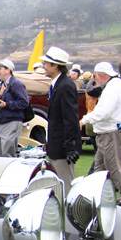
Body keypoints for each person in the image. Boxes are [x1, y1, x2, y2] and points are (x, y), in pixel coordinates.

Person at [79, 62, 121, 203]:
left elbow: (103, 112)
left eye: (95, 76)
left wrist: (83, 120)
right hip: (117, 129)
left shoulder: (111, 89)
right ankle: (95, 196)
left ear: (102, 75)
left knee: (115, 165)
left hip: (111, 132)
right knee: (99, 167)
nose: (94, 79)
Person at [41, 47, 80, 192]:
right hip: (56, 144)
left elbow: (70, 117)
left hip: (63, 146)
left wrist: (70, 145)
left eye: (46, 64)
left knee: (64, 184)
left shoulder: (66, 85)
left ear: (55, 66)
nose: (43, 67)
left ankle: (68, 213)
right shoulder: (57, 84)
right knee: (56, 183)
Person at [0, 59, 29, 157]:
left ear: (8, 70)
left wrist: (7, 104)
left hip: (12, 121)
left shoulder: (17, 84)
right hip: (2, 121)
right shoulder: (2, 84)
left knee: (7, 152)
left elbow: (24, 103)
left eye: (0, 69)